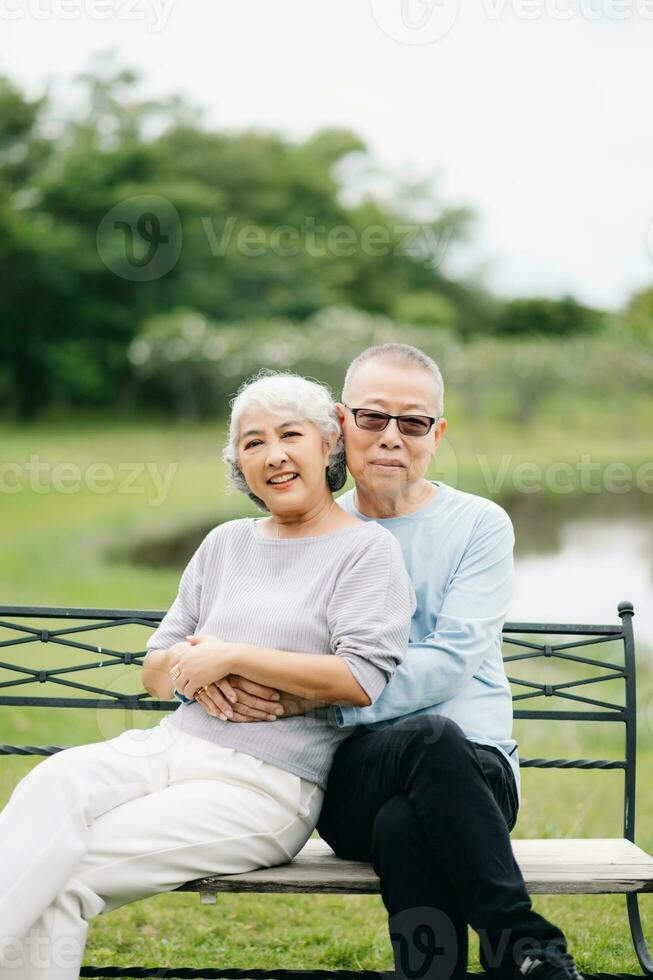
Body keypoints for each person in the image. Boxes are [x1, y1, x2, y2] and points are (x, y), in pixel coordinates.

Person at [0, 372, 415, 980]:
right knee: (55, 781)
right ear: (238, 466)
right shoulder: (224, 544)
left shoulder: (367, 552)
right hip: (169, 747)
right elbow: (156, 668)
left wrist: (232, 656)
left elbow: (359, 679)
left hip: (265, 787)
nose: (272, 455)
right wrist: (197, 673)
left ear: (328, 444)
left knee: (65, 876)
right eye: (252, 443)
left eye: (289, 435)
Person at [215, 345, 583, 980]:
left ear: (436, 434)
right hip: (351, 776)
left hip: (477, 778)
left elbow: (451, 660)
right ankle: (525, 947)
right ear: (338, 426)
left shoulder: (479, 526)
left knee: (408, 818)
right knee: (426, 743)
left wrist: (327, 695)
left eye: (412, 423)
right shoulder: (315, 527)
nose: (391, 438)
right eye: (371, 418)